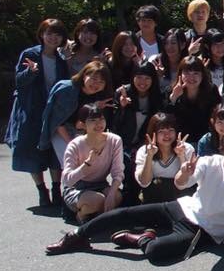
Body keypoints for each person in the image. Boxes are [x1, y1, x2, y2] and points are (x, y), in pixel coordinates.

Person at [47, 127, 224, 263]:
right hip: (182, 207)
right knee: (125, 213)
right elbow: (181, 183)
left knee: (156, 254)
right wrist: (184, 172)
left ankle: (142, 238)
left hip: (204, 230)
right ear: (223, 147)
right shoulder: (209, 162)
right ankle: (77, 237)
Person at [6, 18, 70, 206]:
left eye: (58, 34)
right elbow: (19, 81)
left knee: (53, 151)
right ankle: (42, 190)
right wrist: (31, 72)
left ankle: (57, 189)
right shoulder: (30, 54)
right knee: (31, 150)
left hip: (52, 111)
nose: (53, 38)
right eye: (49, 33)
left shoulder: (61, 60)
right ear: (42, 34)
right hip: (31, 110)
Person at [40, 60, 114, 169]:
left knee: (90, 165)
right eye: (93, 79)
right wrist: (71, 143)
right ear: (84, 76)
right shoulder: (67, 89)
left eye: (101, 81)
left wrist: (95, 108)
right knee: (72, 164)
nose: (96, 84)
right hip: (60, 131)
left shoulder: (100, 97)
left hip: (80, 131)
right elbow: (58, 122)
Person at [60, 104, 124, 222]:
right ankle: (82, 215)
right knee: (98, 200)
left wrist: (111, 194)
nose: (99, 124)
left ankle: (97, 219)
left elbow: (118, 171)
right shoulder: (75, 145)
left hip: (101, 184)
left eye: (101, 119)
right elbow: (68, 180)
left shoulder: (114, 140)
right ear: (82, 124)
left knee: (117, 196)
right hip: (77, 187)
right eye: (93, 120)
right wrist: (87, 164)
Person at [113, 60, 164, 204]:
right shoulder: (122, 93)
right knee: (129, 165)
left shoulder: (157, 95)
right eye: (139, 77)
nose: (143, 82)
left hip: (144, 142)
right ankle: (128, 201)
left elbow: (160, 121)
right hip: (124, 143)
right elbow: (115, 125)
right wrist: (122, 108)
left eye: (147, 78)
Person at [136, 113, 197, 204]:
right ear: (153, 133)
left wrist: (181, 156)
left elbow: (184, 184)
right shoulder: (144, 150)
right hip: (153, 198)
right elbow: (144, 182)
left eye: (171, 130)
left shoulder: (187, 149)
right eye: (161, 131)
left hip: (181, 198)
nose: (167, 135)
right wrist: (149, 156)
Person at [168, 56, 222, 143]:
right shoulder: (171, 90)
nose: (191, 78)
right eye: (187, 73)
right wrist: (173, 98)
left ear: (202, 75)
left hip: (206, 139)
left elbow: (217, 114)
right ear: (180, 74)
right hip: (180, 141)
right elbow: (166, 119)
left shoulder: (211, 90)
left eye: (196, 73)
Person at [157, 28, 187, 94]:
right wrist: (157, 75)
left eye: (173, 43)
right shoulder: (156, 61)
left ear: (183, 45)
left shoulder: (188, 64)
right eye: (166, 43)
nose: (169, 46)